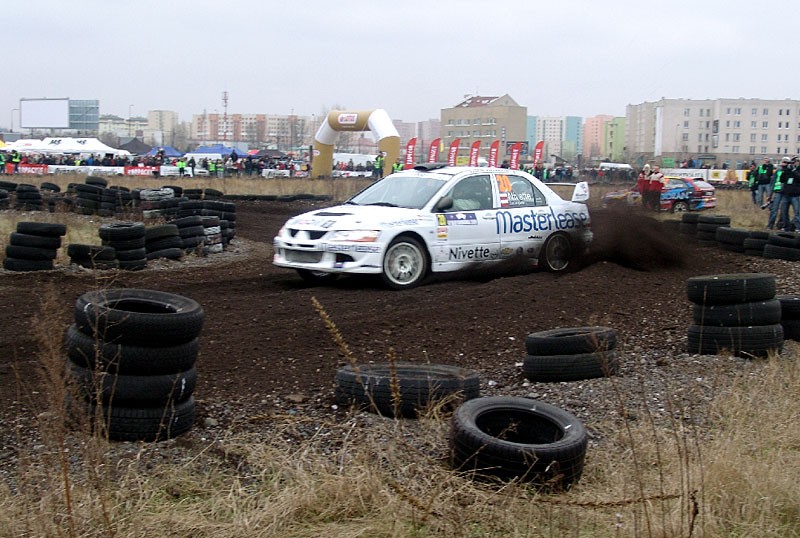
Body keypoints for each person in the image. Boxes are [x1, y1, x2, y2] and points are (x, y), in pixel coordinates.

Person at [767, 157, 790, 229]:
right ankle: (770, 225)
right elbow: (773, 183)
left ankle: (783, 226)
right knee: (774, 210)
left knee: (784, 211)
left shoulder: (790, 171)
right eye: (783, 162)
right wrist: (770, 194)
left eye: (785, 162)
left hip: (785, 193)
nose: (784, 163)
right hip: (777, 192)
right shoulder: (778, 171)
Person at [779, 156, 800, 232]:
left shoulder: (798, 170)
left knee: (797, 212)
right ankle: (786, 227)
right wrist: (785, 170)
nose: (794, 163)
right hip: (786, 194)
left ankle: (798, 227)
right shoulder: (787, 170)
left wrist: (794, 171)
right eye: (793, 162)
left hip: (795, 194)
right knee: (784, 212)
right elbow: (781, 179)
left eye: (795, 161)